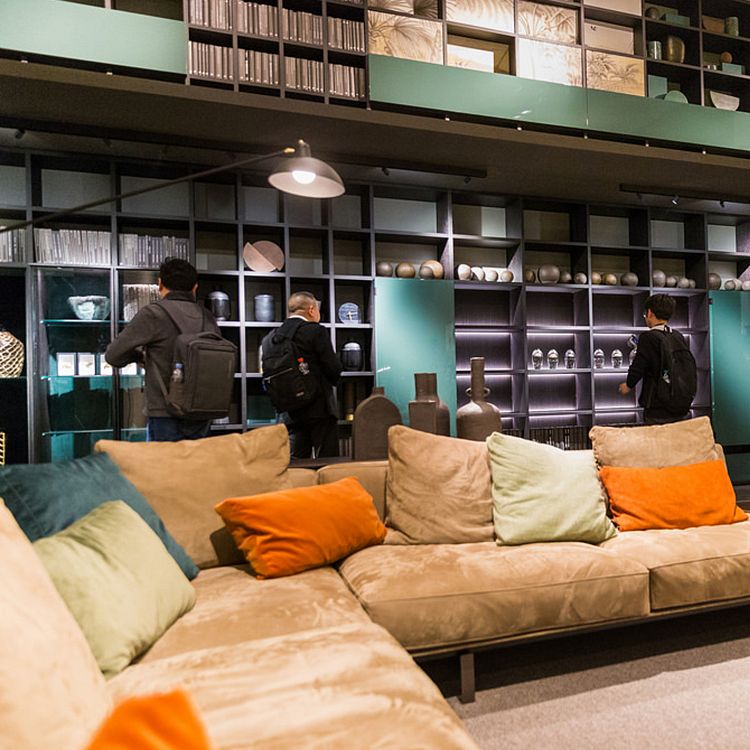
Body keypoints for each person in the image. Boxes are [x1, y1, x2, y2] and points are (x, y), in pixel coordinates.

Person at [106, 257, 220, 442]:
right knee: (197, 461)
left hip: (164, 412)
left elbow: (113, 356)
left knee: (163, 461)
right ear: (195, 287)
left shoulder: (153, 314)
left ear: (160, 284)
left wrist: (141, 357)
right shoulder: (208, 317)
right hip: (201, 412)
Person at [262, 291, 342, 459]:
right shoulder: (315, 331)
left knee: (296, 461)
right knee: (327, 460)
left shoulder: (271, 338)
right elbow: (333, 369)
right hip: (318, 407)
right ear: (311, 310)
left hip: (288, 409)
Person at [618, 293, 692, 424]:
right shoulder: (677, 336)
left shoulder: (648, 337)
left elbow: (638, 365)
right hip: (680, 402)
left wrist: (628, 385)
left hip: (658, 404)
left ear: (650, 312)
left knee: (656, 436)